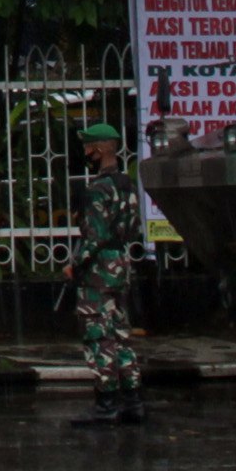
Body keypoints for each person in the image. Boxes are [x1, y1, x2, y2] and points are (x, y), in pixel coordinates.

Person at [67, 121, 147, 426]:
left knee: (98, 336)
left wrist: (76, 265)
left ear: (99, 150)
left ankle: (106, 404)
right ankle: (133, 401)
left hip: (99, 269)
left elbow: (93, 237)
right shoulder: (126, 184)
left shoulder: (96, 189)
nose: (86, 152)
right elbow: (133, 228)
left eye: (89, 147)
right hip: (121, 263)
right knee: (120, 334)